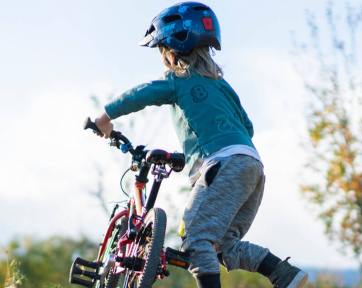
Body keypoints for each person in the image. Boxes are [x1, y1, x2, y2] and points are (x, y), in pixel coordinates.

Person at [94, 2, 308, 288]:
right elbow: (248, 127)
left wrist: (103, 119)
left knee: (195, 242)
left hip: (223, 163)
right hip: (251, 166)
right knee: (223, 247)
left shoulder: (176, 81)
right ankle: (285, 274)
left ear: (170, 54)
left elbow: (140, 95)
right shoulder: (221, 85)